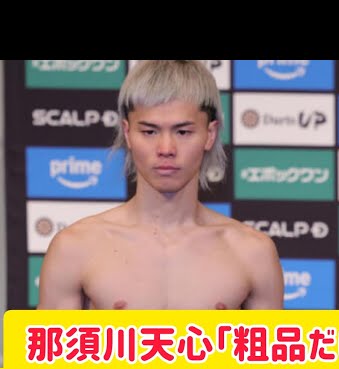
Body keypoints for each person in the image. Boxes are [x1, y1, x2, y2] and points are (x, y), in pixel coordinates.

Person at [38, 60, 284, 309]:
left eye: (183, 132)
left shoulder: (253, 254)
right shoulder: (74, 248)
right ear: (127, 133)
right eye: (150, 132)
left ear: (210, 134)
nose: (166, 149)